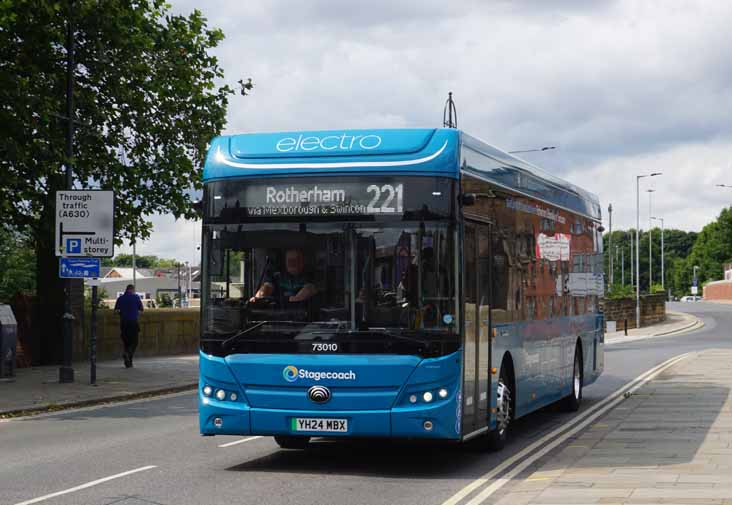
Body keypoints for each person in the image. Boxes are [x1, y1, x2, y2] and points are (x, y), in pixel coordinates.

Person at [250, 249, 317, 303]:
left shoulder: (310, 276)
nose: (293, 263)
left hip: (305, 316)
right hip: (275, 315)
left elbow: (309, 289)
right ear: (285, 261)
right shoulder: (277, 276)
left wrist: (294, 299)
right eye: (290, 260)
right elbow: (267, 287)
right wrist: (257, 298)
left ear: (303, 261)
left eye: (297, 260)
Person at [114, 284, 143, 368]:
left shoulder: (120, 298)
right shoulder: (136, 297)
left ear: (126, 289)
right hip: (133, 322)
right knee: (134, 342)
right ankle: (128, 354)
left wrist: (121, 313)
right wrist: (135, 314)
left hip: (124, 322)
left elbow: (116, 311)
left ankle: (129, 363)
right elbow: (141, 309)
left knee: (126, 342)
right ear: (132, 289)